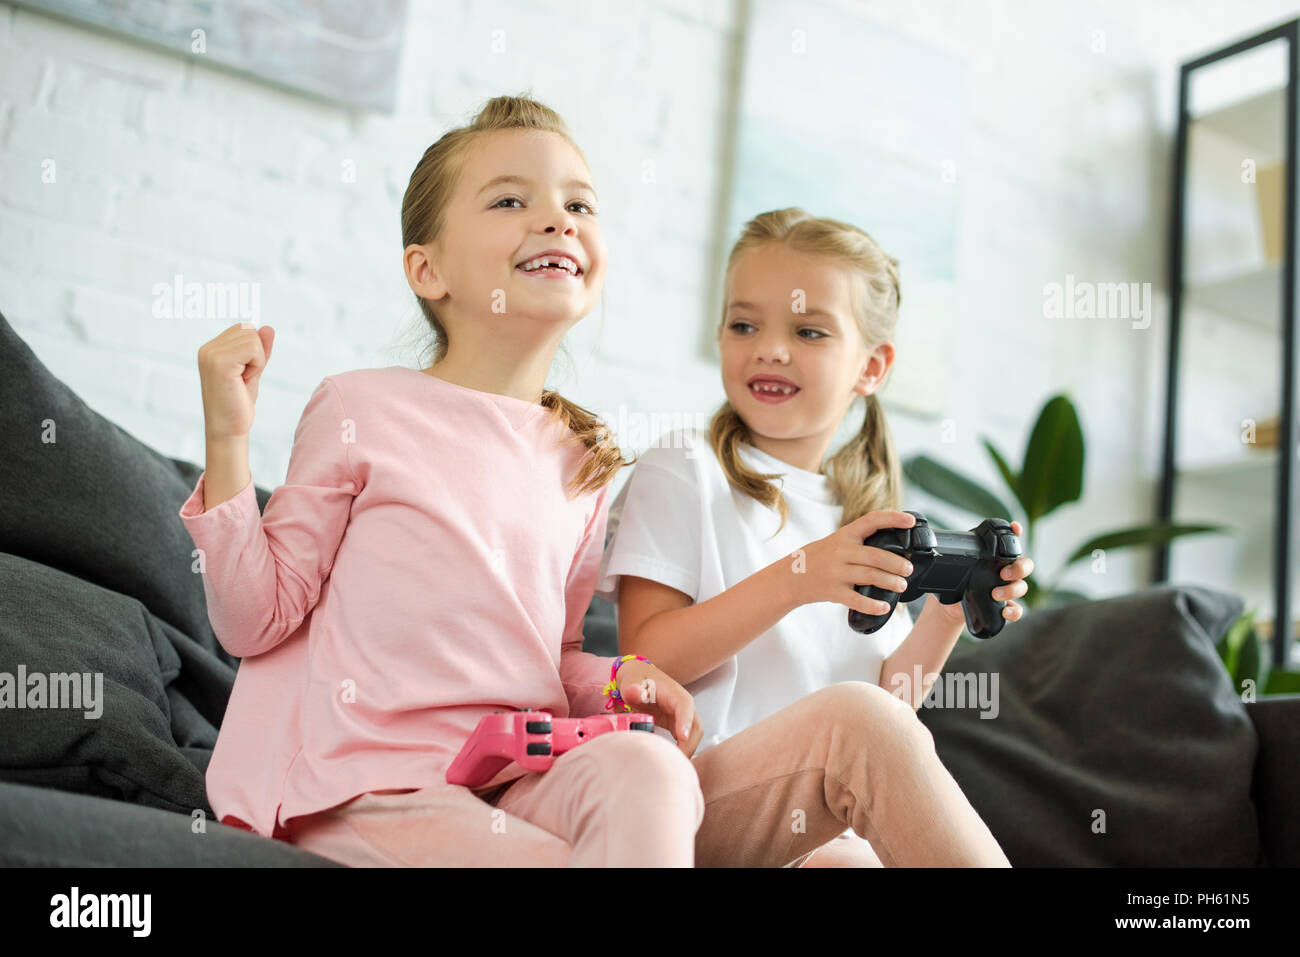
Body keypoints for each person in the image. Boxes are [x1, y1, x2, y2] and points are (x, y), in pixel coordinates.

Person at [178, 94, 705, 867]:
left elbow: (547, 660)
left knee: (653, 768)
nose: (558, 220)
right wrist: (228, 439)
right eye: (510, 200)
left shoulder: (581, 461)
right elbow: (256, 619)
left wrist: (624, 677)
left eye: (579, 203)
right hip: (364, 791)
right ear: (428, 270)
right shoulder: (360, 407)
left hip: (505, 779)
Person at [596, 208, 1032, 866]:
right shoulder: (684, 469)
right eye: (745, 324)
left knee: (854, 855)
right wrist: (799, 576)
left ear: (872, 366)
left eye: (808, 330)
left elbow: (889, 712)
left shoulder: (857, 515)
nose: (770, 347)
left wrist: (948, 609)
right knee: (853, 731)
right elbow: (644, 659)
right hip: (688, 806)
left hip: (820, 829)